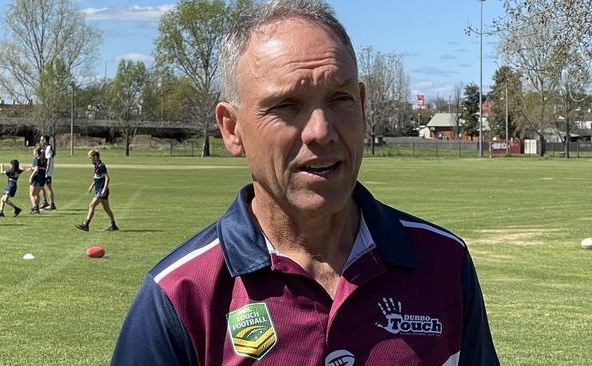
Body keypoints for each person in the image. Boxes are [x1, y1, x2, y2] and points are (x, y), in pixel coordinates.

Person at [111, 1, 499, 365]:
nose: (321, 131)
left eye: (340, 99)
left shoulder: (444, 264)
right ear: (232, 129)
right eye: (287, 106)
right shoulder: (181, 294)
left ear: (363, 108)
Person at [75, 150, 118, 232]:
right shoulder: (96, 165)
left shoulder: (101, 166)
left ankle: (86, 224)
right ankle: (113, 225)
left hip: (101, 190)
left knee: (91, 205)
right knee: (107, 209)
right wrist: (92, 185)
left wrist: (104, 190)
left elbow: (107, 178)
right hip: (99, 189)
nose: (90, 159)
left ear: (95, 157)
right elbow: (97, 177)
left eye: (90, 158)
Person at [39, 135, 57, 210]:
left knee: (48, 187)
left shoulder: (48, 148)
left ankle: (52, 204)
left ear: (45, 140)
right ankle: (44, 202)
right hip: (43, 170)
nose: (40, 141)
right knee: (40, 186)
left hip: (47, 171)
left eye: (42, 140)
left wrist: (47, 170)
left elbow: (48, 160)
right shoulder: (44, 148)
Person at [28, 146, 47, 215]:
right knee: (36, 194)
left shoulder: (36, 159)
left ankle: (34, 208)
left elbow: (36, 169)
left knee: (31, 194)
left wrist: (31, 176)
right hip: (42, 178)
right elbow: (41, 168)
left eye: (33, 151)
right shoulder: (43, 159)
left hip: (37, 178)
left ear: (36, 152)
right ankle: (37, 208)